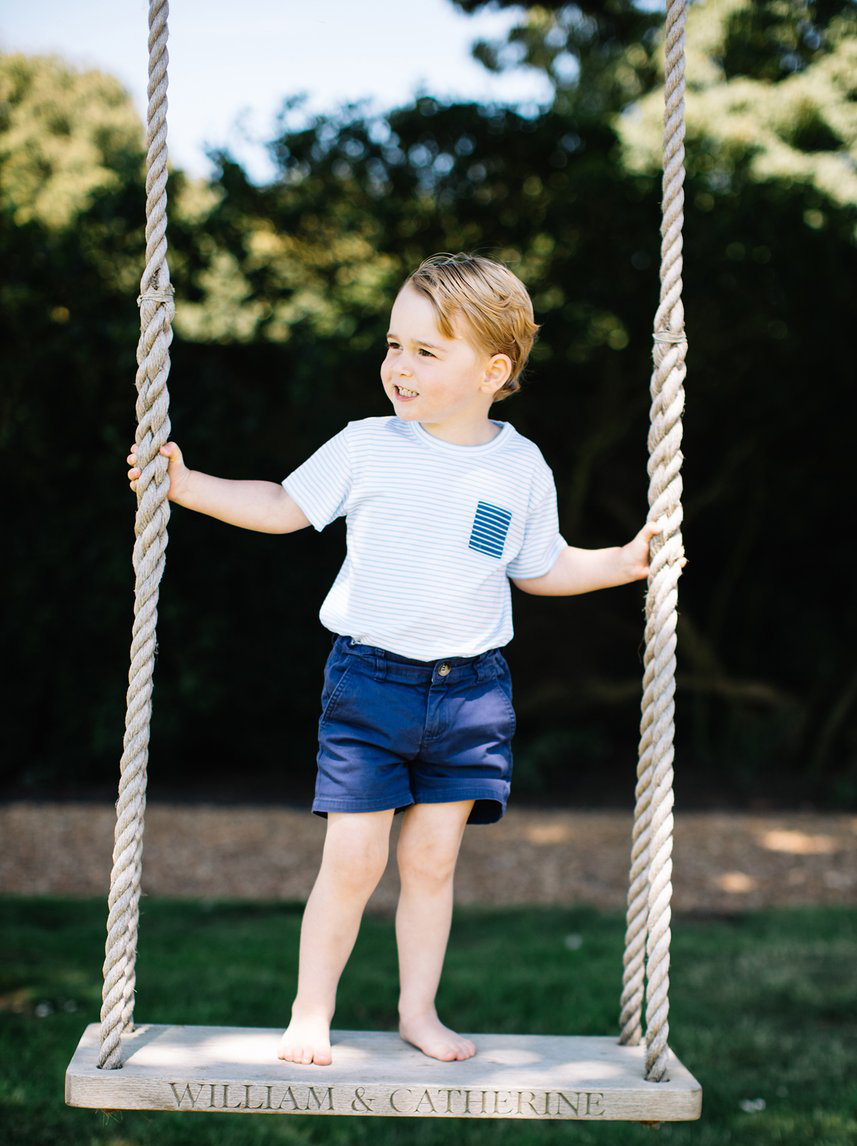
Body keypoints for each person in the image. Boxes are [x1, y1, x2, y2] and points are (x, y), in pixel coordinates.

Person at [127, 251, 681, 1069]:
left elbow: (539, 567)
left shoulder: (517, 467)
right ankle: (310, 1012)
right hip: (370, 681)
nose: (398, 366)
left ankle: (417, 1011)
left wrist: (625, 561)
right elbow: (283, 505)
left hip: (471, 694)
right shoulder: (367, 447)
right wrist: (187, 485)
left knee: (432, 859)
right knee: (353, 857)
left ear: (493, 370)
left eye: (426, 351)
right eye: (394, 345)